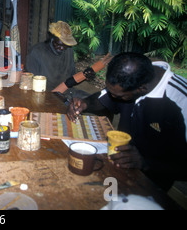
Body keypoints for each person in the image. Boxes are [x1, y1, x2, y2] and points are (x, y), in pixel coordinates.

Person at [68, 52, 187, 190]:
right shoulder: (130, 79)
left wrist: (144, 163)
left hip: (150, 185)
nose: (112, 96)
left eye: (118, 96)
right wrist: (85, 103)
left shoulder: (180, 100)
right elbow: (103, 98)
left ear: (141, 89)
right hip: (115, 167)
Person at [26, 21, 94, 92]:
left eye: (65, 45)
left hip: (66, 92)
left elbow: (71, 80)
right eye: (58, 44)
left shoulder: (69, 51)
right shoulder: (37, 52)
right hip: (46, 94)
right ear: (51, 38)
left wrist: (84, 76)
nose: (62, 48)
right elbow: (30, 82)